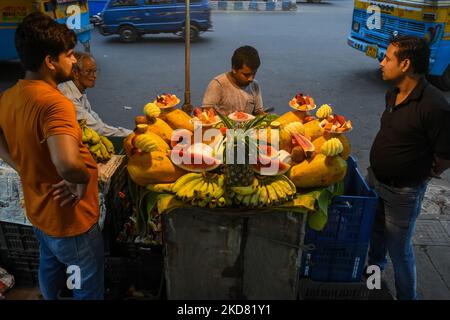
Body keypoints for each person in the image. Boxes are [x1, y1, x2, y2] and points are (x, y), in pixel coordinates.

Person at [0, 12, 104, 300]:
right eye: (69, 55)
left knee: (50, 264)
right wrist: (81, 179)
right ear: (50, 61)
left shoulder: (10, 96)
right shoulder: (54, 104)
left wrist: (19, 164)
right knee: (84, 280)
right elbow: (67, 163)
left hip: (39, 211)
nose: (74, 61)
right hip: (70, 219)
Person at [367, 35, 450, 300]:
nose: (382, 63)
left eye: (387, 58)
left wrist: (421, 172)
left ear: (405, 65)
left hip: (402, 194)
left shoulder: (434, 106)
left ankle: (407, 297)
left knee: (399, 251)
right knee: (375, 242)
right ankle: (372, 286)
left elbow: (446, 155)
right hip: (376, 181)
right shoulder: (393, 91)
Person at [59, 52, 132, 137]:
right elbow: (98, 129)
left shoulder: (79, 89)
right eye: (88, 71)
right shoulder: (69, 97)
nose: (94, 76)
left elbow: (92, 116)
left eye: (95, 71)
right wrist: (131, 134)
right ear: (75, 73)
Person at [202, 45, 265, 115]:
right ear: (234, 69)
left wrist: (266, 117)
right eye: (246, 75)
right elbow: (206, 111)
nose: (251, 78)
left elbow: (258, 111)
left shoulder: (255, 85)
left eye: (254, 73)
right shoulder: (218, 84)